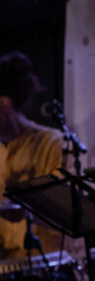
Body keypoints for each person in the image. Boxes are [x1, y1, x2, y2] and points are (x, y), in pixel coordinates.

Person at [0, 50, 65, 258]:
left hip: (50, 265)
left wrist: (27, 211)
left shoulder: (53, 143)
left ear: (4, 103)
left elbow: (68, 214)